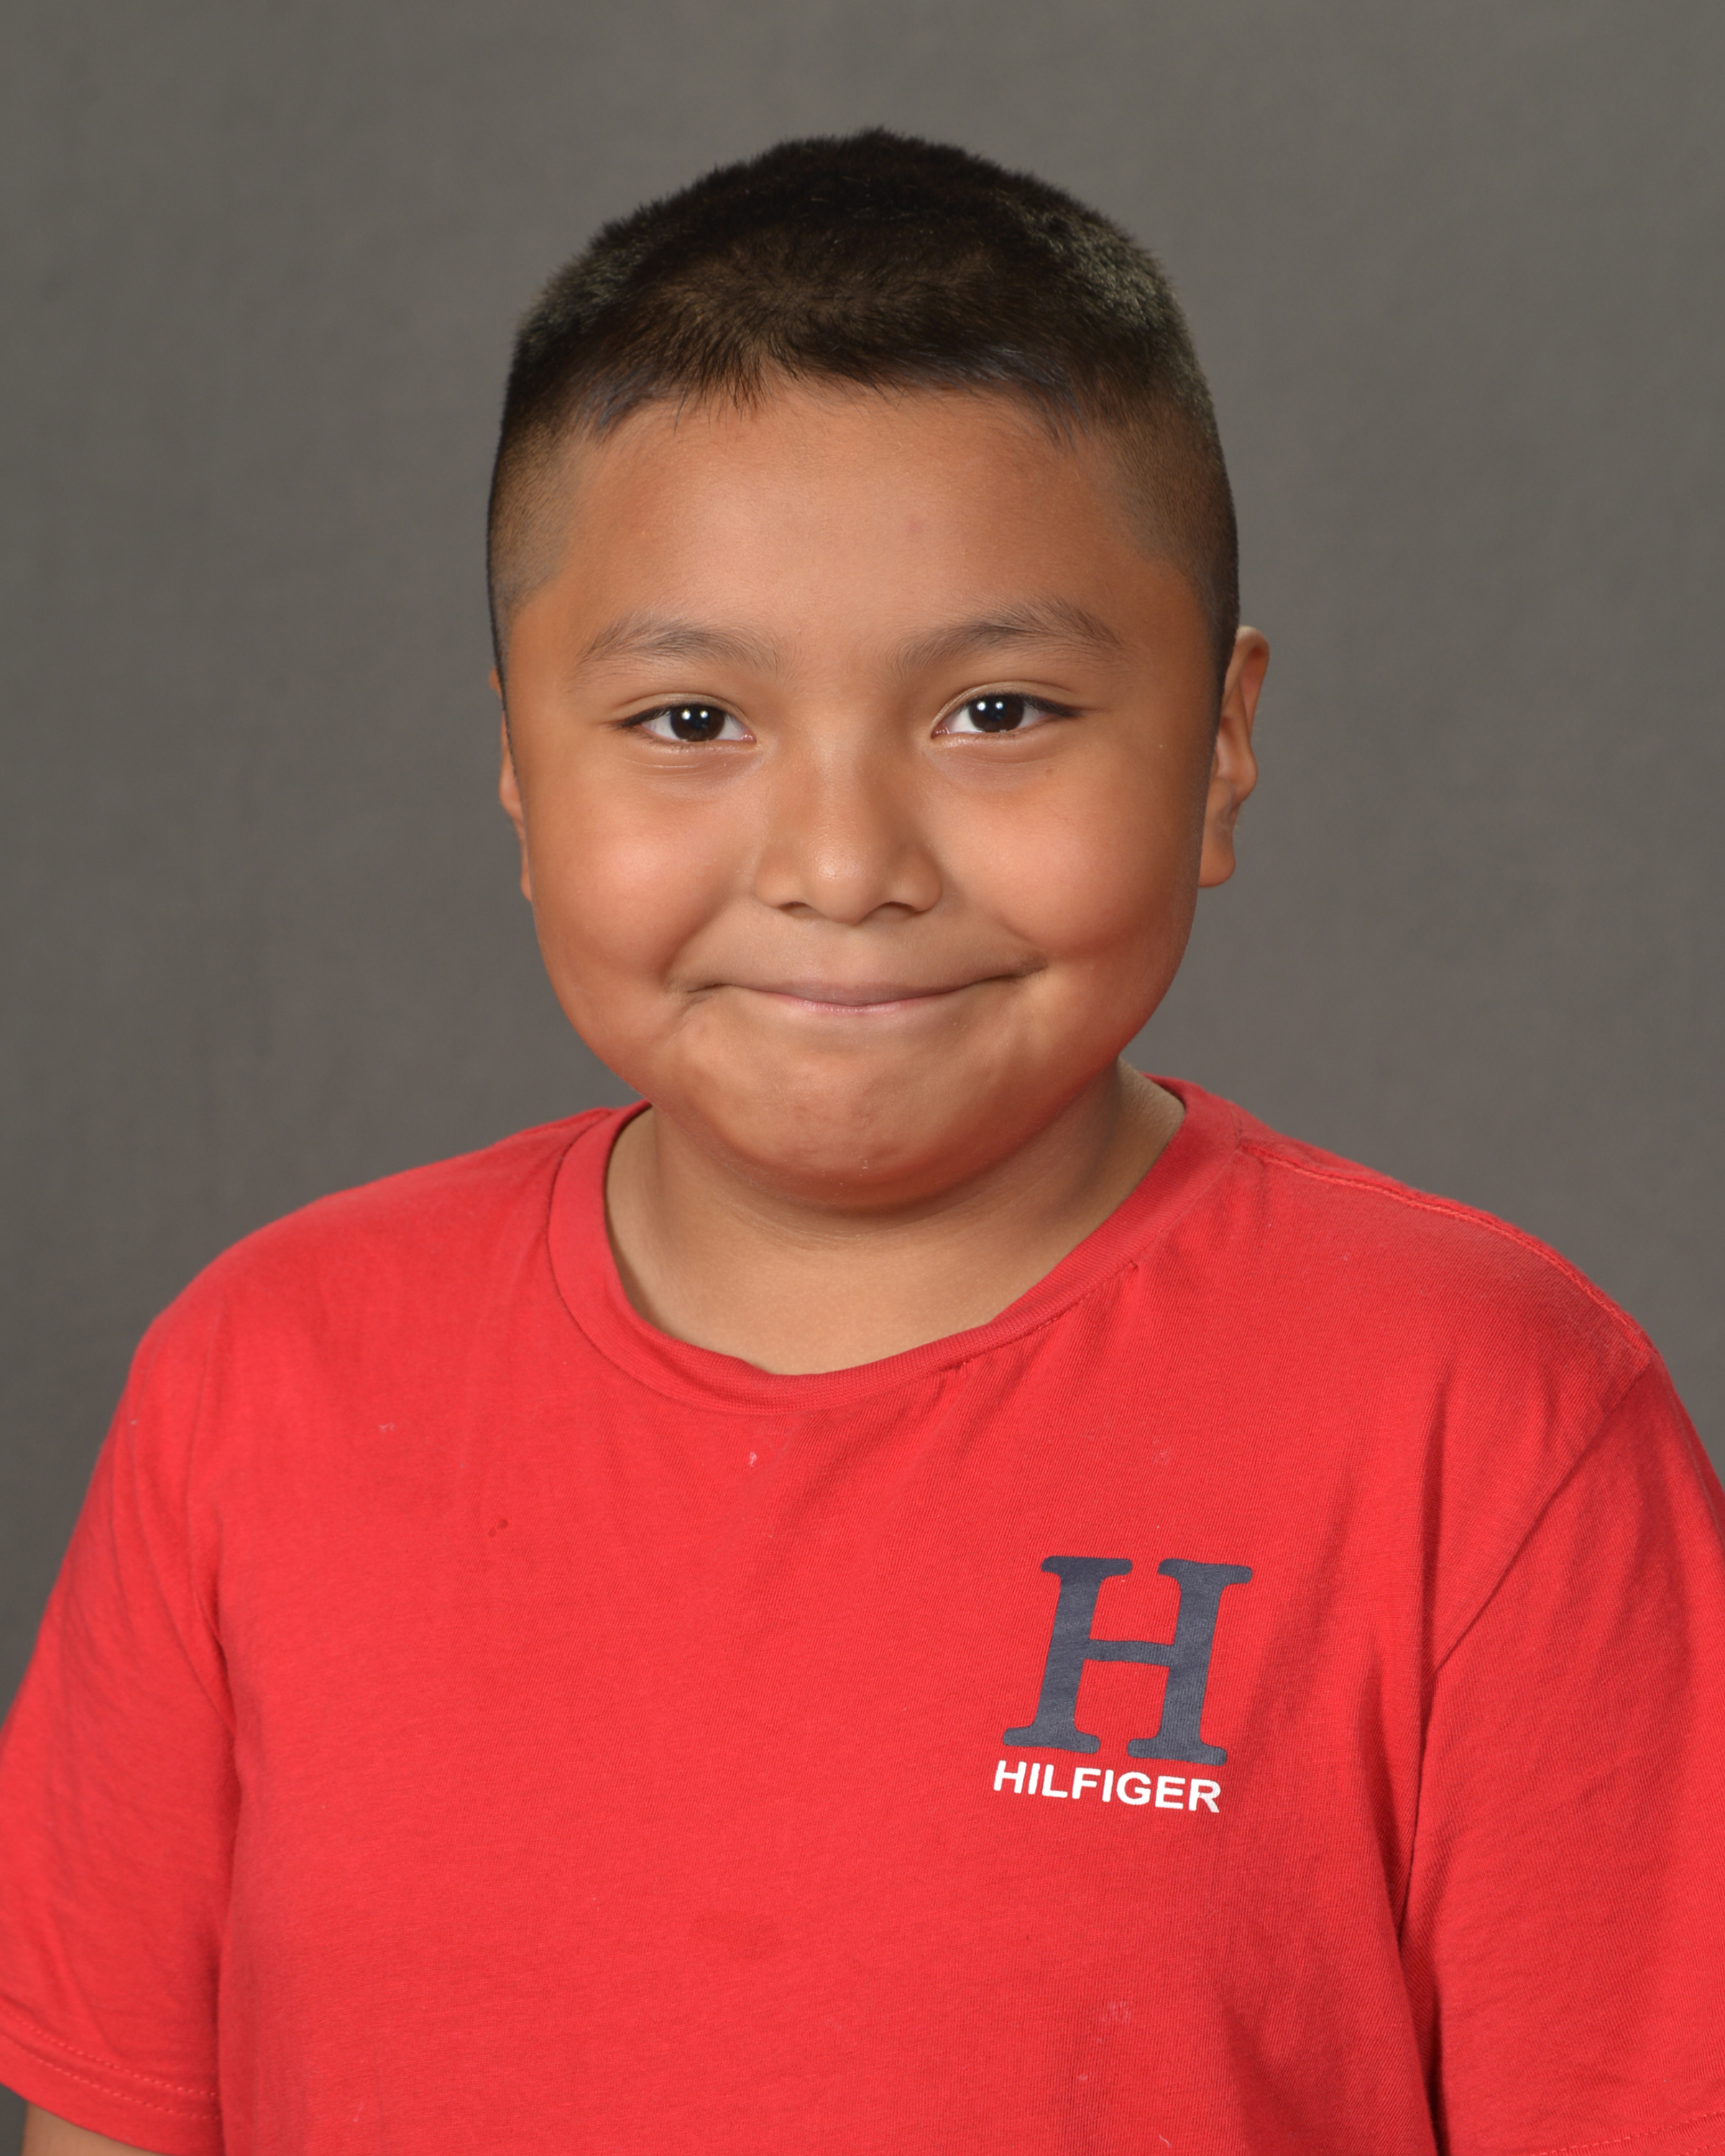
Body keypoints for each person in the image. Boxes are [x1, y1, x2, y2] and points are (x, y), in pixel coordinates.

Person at [1, 129, 1721, 2156]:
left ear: (1222, 744)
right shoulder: (262, 1383)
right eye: (690, 723)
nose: (840, 864)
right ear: (515, 761)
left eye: (999, 712)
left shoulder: (1489, 1426)